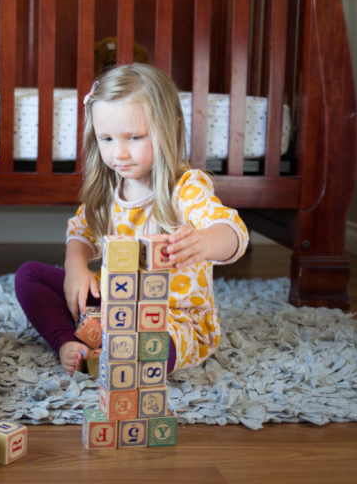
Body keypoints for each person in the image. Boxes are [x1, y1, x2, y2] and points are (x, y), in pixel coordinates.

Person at [15, 63, 249, 376]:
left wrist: (206, 242)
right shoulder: (109, 188)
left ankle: (115, 350)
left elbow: (233, 231)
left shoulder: (186, 187)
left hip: (172, 320)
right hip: (114, 305)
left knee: (151, 349)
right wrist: (75, 268)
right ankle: (68, 343)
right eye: (106, 139)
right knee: (29, 276)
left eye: (134, 137)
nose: (119, 153)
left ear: (171, 128)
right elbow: (81, 232)